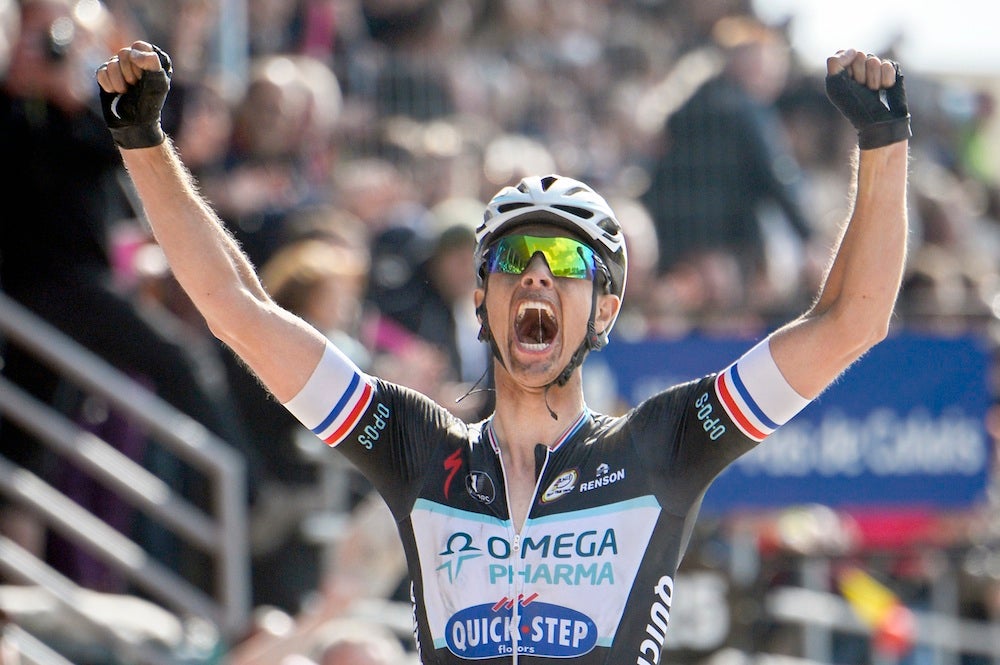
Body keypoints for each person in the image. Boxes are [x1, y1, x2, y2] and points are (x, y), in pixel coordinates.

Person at [95, 39, 910, 663]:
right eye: (513, 262)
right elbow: (238, 309)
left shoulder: (662, 443)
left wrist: (884, 142)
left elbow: (851, 321)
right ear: (479, 300)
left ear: (607, 307)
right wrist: (141, 143)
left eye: (567, 265)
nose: (538, 279)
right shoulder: (415, 445)